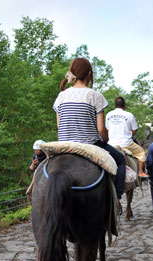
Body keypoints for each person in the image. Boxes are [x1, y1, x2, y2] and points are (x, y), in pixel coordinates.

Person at [53, 57, 126, 200]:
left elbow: (59, 125)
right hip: (90, 144)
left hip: (63, 145)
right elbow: (101, 130)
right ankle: (117, 197)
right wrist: (105, 139)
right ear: (89, 74)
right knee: (121, 159)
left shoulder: (61, 96)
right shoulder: (95, 96)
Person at [105, 96, 148, 177]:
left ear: (115, 105)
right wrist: (129, 135)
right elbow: (135, 130)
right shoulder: (129, 115)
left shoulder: (108, 114)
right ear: (124, 105)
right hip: (126, 144)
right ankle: (140, 172)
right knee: (141, 152)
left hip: (111, 144)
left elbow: (107, 129)